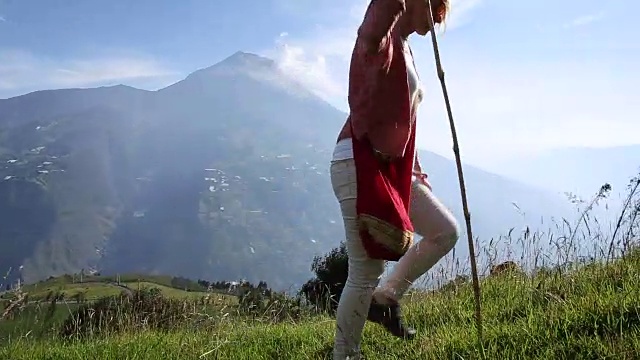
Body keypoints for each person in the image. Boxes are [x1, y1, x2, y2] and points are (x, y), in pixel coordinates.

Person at [329, 0, 459, 358]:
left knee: (444, 232)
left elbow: (403, 120)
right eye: (436, 8)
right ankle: (345, 354)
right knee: (365, 269)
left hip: (394, 171)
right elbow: (372, 30)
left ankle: (386, 298)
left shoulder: (407, 50)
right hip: (358, 163)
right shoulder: (380, 41)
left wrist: (413, 168)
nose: (437, 20)